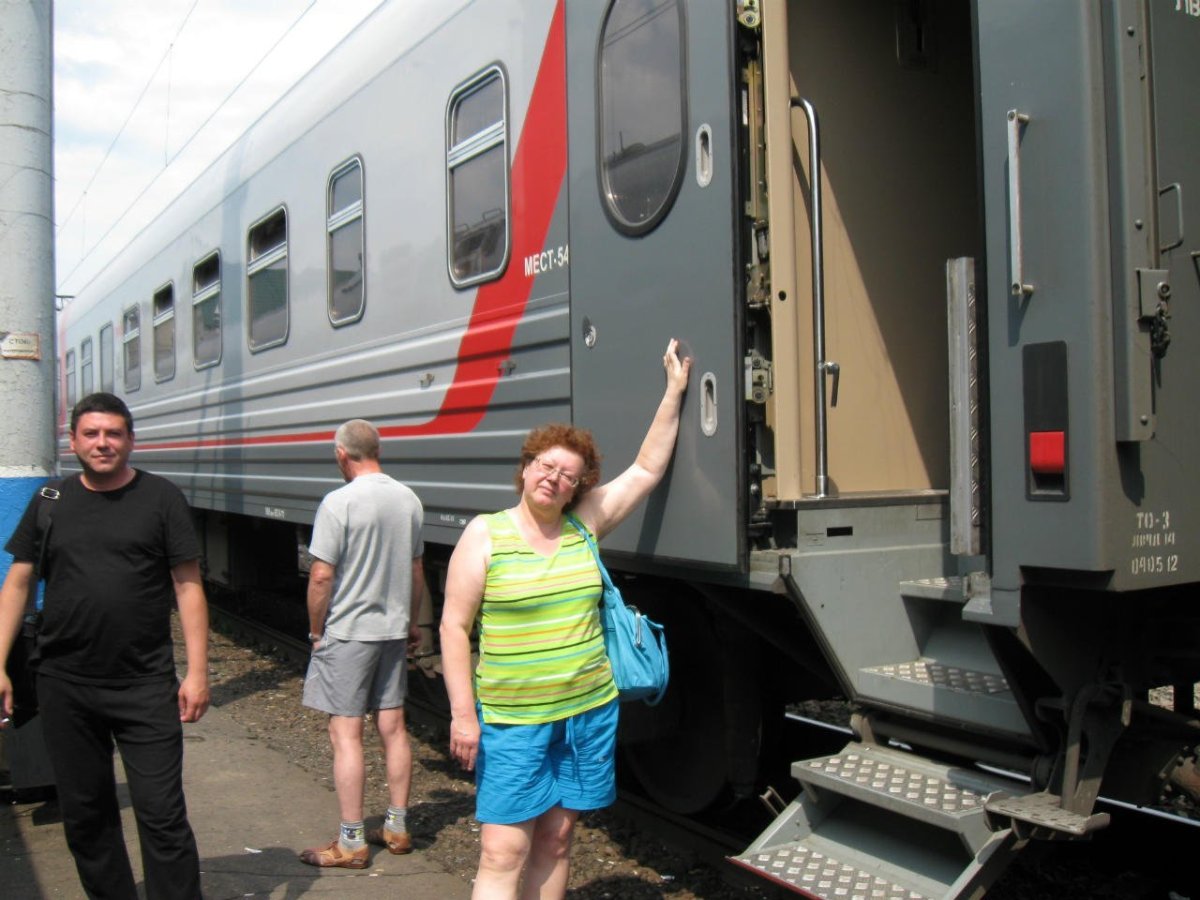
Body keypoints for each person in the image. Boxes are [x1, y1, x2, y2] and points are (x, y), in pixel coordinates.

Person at [440, 339, 691, 899]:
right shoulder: (486, 534)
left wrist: (674, 391)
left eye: (569, 475)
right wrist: (463, 716)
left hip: (586, 712)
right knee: (503, 848)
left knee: (556, 840)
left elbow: (647, 467)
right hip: (514, 719)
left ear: (580, 486)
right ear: (526, 469)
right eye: (546, 467)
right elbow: (453, 628)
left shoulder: (584, 527)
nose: (554, 479)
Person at [0, 391, 210, 900]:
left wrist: (198, 672)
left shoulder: (162, 499)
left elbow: (188, 585)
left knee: (162, 814)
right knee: (87, 815)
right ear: (72, 442)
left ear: (131, 440)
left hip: (144, 684)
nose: (103, 443)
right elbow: (18, 582)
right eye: (91, 434)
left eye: (114, 433)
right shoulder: (50, 501)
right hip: (64, 683)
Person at [298, 418, 426, 869]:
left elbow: (321, 575)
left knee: (345, 733)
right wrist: (411, 622)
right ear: (377, 450)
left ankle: (352, 840)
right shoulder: (408, 499)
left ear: (341, 454)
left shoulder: (338, 502)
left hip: (349, 633)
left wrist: (317, 632)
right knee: (393, 727)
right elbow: (414, 571)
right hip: (392, 630)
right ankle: (396, 825)